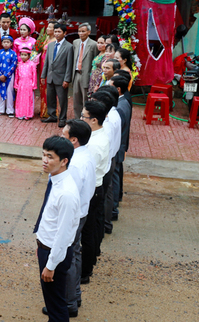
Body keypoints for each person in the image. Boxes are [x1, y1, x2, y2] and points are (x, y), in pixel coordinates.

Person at [34, 136, 80, 322]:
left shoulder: (66, 193)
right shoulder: (55, 179)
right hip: (45, 247)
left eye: (50, 157)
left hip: (54, 253)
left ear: (64, 161)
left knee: (57, 305)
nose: (45, 160)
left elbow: (64, 234)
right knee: (52, 301)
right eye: (44, 155)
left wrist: (51, 265)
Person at [60, 120, 95, 317]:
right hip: (82, 211)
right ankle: (75, 295)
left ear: (74, 140)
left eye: (64, 136)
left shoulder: (74, 164)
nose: (61, 138)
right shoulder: (84, 155)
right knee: (75, 252)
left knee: (68, 257)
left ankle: (68, 302)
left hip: (73, 214)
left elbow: (68, 195)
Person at [80, 100, 110, 285]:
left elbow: (85, 172)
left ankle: (85, 270)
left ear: (94, 120)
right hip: (96, 187)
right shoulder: (99, 135)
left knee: (87, 232)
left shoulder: (93, 144)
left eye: (84, 116)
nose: (81, 118)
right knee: (91, 229)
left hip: (92, 190)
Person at [92, 88, 120, 239]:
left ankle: (104, 226)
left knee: (103, 199)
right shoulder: (112, 116)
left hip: (106, 163)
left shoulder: (107, 124)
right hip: (109, 159)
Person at [107, 77, 131, 227]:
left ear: (118, 89)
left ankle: (113, 208)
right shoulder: (124, 102)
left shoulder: (120, 108)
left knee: (113, 180)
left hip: (117, 148)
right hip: (118, 147)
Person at [41, 23, 74, 127]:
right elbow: (46, 61)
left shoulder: (69, 47)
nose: (57, 33)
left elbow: (69, 65)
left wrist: (67, 79)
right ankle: (52, 116)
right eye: (55, 31)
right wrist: (43, 75)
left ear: (65, 33)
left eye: (59, 31)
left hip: (61, 78)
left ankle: (63, 118)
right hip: (50, 76)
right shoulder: (50, 45)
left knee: (62, 99)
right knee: (50, 97)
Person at [72, 23, 98, 120]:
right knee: (76, 98)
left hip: (86, 75)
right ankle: (77, 119)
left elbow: (95, 61)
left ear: (89, 32)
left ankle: (85, 119)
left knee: (85, 99)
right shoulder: (75, 42)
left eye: (83, 31)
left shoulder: (94, 44)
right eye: (79, 31)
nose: (81, 33)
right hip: (76, 74)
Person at [0, 35, 17, 117]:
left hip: (9, 77)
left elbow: (13, 65)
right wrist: (0, 75)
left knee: (9, 92)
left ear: (11, 44)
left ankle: (10, 110)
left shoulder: (13, 54)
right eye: (4, 42)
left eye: (8, 42)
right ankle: (0, 109)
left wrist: (6, 75)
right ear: (2, 43)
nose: (6, 44)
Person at [14, 47, 40, 120]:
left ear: (29, 56)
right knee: (20, 99)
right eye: (22, 55)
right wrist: (16, 84)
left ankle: (28, 114)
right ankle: (20, 113)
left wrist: (33, 85)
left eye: (25, 55)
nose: (23, 56)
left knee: (28, 99)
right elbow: (17, 75)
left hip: (29, 83)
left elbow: (34, 75)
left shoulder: (32, 64)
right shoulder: (19, 65)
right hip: (21, 84)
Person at [39, 21, 57, 119]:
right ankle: (43, 109)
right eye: (48, 27)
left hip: (49, 65)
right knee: (42, 87)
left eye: (50, 27)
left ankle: (49, 111)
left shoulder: (54, 41)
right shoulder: (46, 38)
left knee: (48, 87)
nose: (47, 29)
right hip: (42, 64)